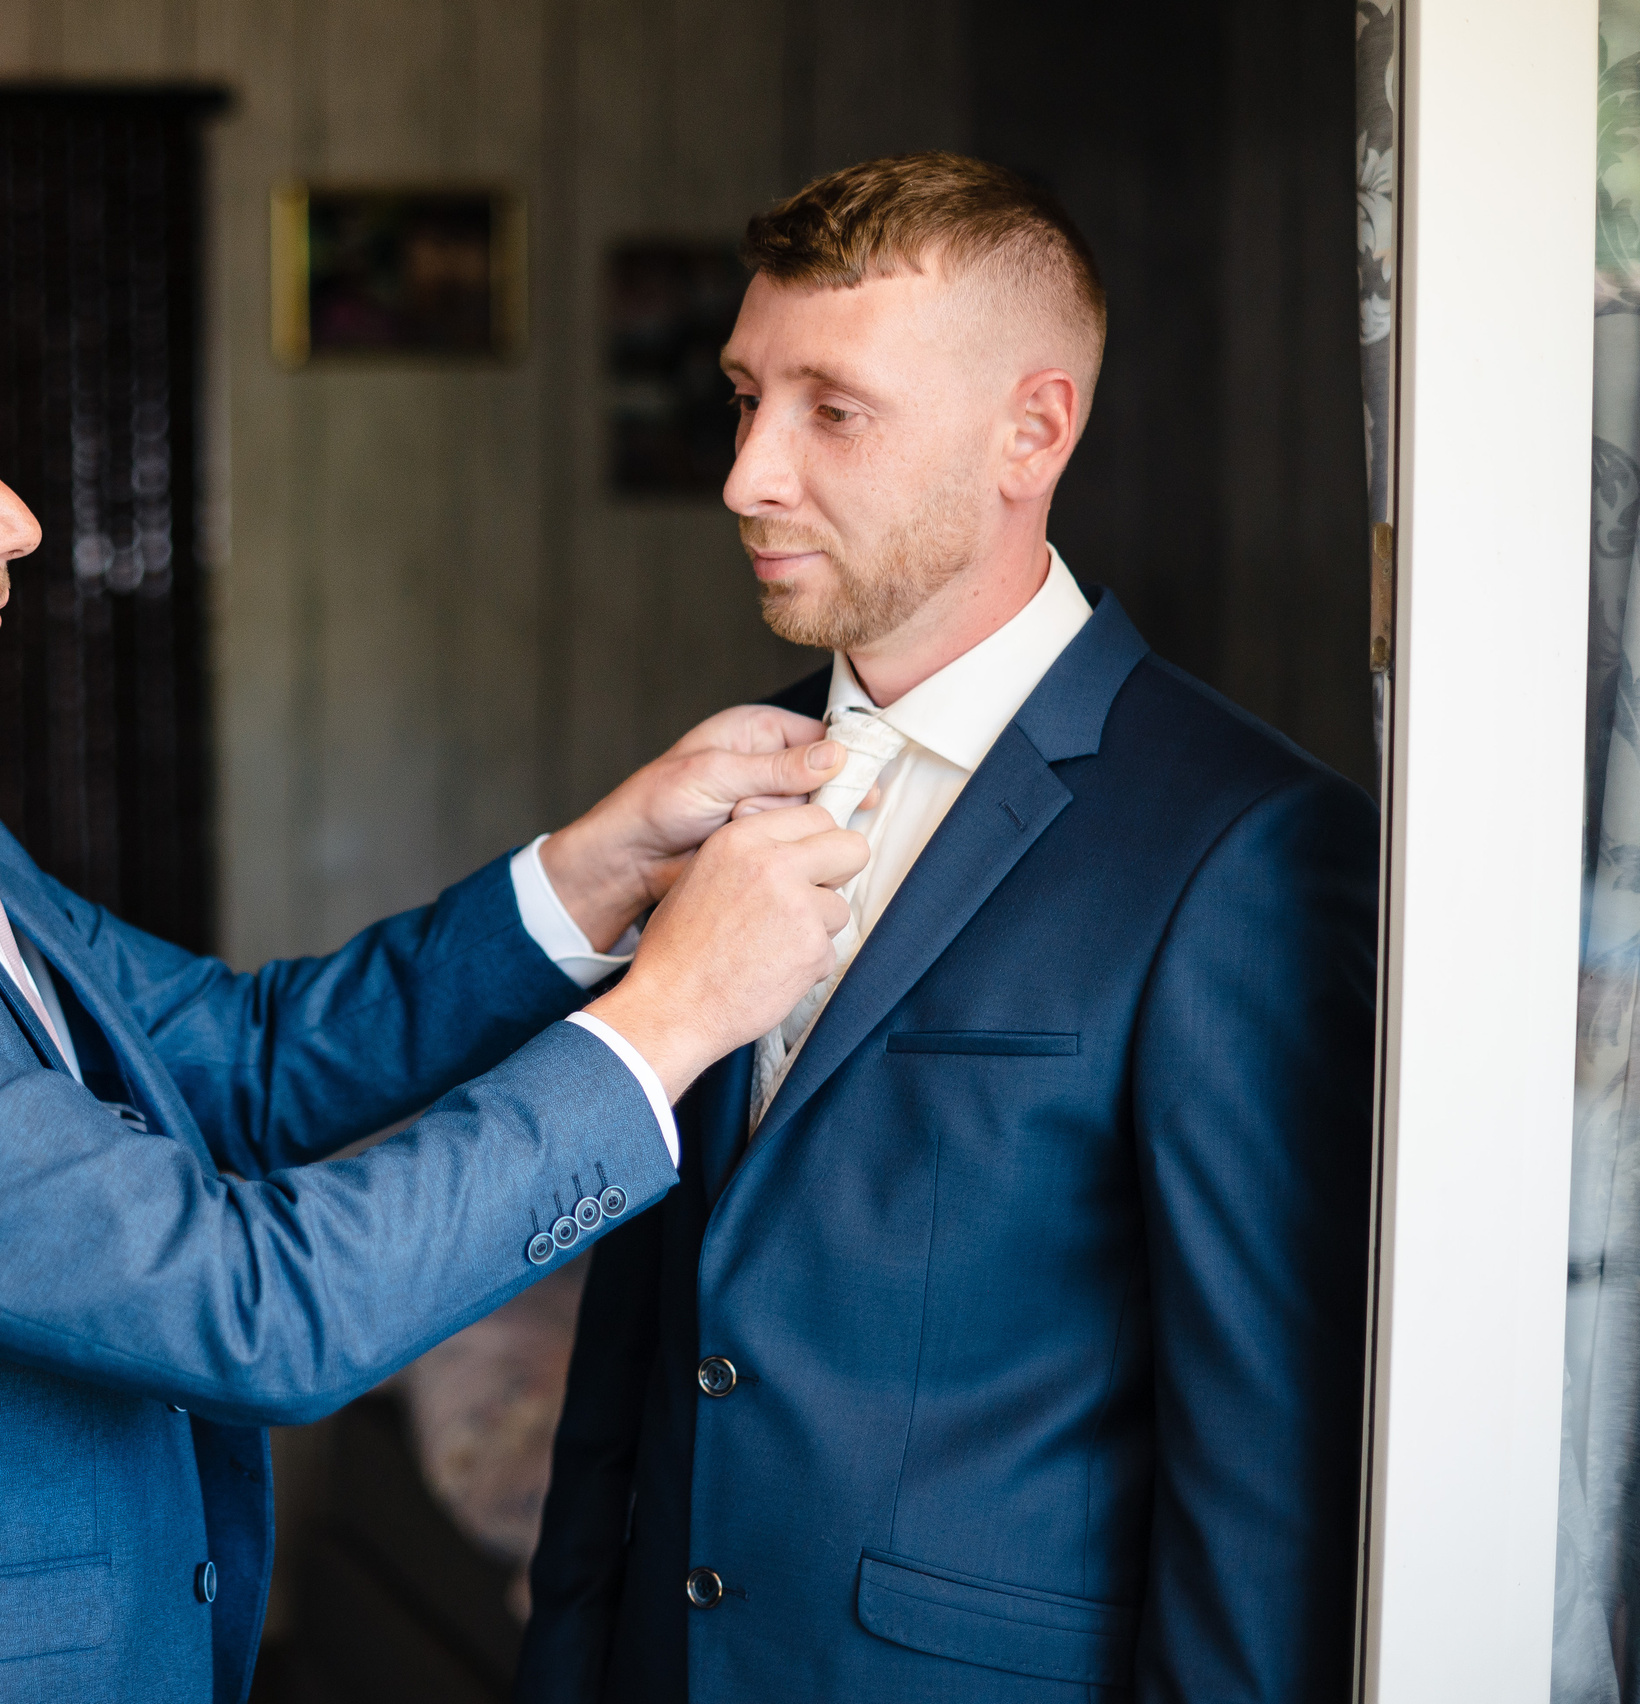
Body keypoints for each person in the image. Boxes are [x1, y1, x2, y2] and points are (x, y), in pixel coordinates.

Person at [0, 238, 867, 1703]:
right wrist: (667, 1022)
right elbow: (256, 1308)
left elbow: (238, 1058)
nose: (11, 519)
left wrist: (595, 870)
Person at [518, 154, 1377, 1703]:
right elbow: (637, 1348)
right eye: (742, 397)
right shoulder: (715, 782)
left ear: (1031, 432)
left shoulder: (1243, 847)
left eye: (830, 412)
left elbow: (1266, 1471)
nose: (747, 476)